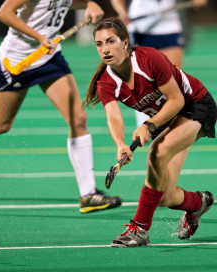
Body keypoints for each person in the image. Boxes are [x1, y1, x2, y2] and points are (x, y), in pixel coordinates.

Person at [0, 0, 122, 213]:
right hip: (19, 60)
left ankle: (88, 195)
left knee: (78, 119)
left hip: (49, 58)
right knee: (1, 124)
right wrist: (39, 37)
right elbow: (5, 13)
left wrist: (89, 4)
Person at [83, 18, 216, 247]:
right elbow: (113, 116)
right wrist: (120, 144)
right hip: (166, 120)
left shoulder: (149, 58)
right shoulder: (106, 81)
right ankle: (198, 203)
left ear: (125, 42)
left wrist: (148, 125)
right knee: (164, 196)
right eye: (99, 44)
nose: (105, 49)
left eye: (110, 41)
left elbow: (176, 100)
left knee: (157, 151)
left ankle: (140, 229)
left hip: (194, 105)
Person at [110, 0, 208, 127]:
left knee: (173, 81)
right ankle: (146, 125)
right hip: (140, 27)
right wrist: (122, 12)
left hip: (169, 27)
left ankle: (170, 127)